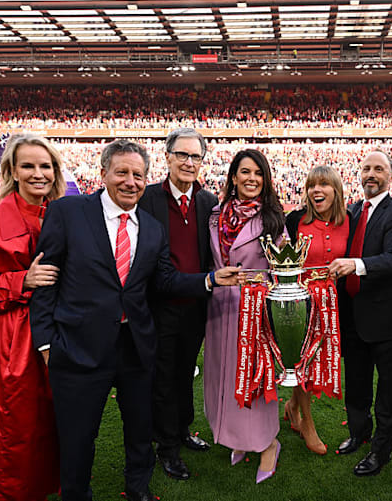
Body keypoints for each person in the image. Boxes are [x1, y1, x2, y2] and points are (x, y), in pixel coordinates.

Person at [29, 139, 240, 501]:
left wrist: (207, 280)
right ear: (103, 173)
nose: (131, 182)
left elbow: (164, 280)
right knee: (79, 435)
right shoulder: (68, 212)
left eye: (138, 175)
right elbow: (45, 280)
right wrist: (46, 341)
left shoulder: (153, 228)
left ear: (146, 179)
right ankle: (76, 493)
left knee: (140, 430)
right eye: (122, 173)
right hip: (79, 347)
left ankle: (138, 487)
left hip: (137, 347)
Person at [0, 133, 66, 501]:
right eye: (28, 166)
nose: (38, 174)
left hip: (66, 331)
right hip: (19, 340)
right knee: (18, 425)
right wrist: (24, 280)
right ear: (12, 171)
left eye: (45, 166)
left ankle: (53, 485)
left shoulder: (65, 212)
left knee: (62, 419)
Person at [137, 128, 217, 481]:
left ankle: (183, 430)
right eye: (182, 155)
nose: (188, 162)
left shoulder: (208, 202)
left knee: (186, 372)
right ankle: (166, 447)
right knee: (164, 377)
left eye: (195, 157)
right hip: (159, 305)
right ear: (167, 157)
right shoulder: (147, 198)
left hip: (198, 306)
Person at [203, 148, 286, 484]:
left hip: (255, 311)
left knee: (253, 380)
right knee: (223, 376)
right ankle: (239, 438)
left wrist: (258, 284)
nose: (252, 179)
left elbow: (283, 271)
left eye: (258, 173)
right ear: (233, 177)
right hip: (219, 310)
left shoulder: (272, 220)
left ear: (265, 180)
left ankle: (268, 443)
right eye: (245, 172)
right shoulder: (214, 215)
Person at [328, 150, 392, 477]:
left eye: (379, 169)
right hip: (352, 316)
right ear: (359, 173)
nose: (371, 174)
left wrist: (356, 265)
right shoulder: (350, 212)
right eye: (366, 168)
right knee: (357, 383)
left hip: (386, 320)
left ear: (390, 175)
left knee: (387, 390)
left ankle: (381, 450)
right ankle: (358, 433)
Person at [283, 165, 352, 456]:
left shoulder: (351, 220)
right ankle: (307, 425)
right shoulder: (294, 220)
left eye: (323, 185)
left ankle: (292, 406)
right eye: (312, 185)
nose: (316, 191)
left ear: (336, 190)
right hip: (300, 304)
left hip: (338, 304)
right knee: (302, 364)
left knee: (322, 361)